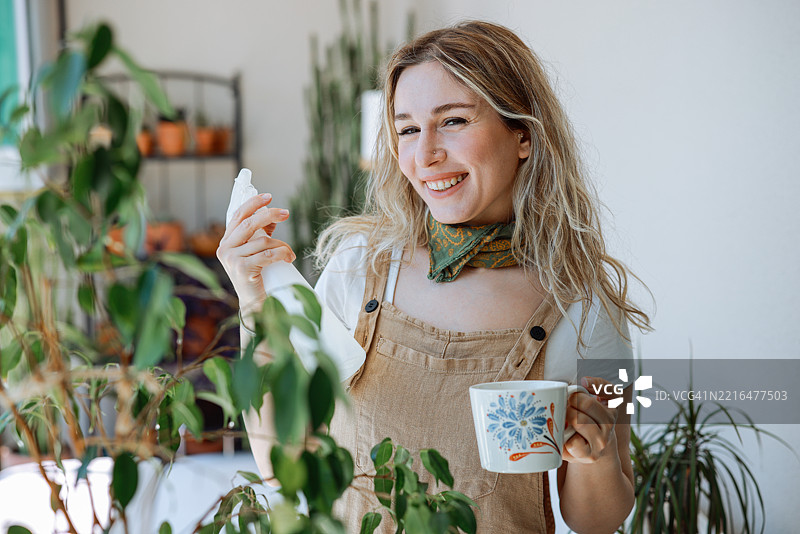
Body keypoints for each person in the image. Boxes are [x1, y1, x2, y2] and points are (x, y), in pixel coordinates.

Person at [218, 20, 651, 534]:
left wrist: (598, 456)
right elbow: (281, 465)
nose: (424, 156)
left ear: (525, 136)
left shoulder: (588, 306)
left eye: (453, 122)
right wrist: (253, 301)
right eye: (406, 129)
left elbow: (600, 520)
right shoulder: (359, 265)